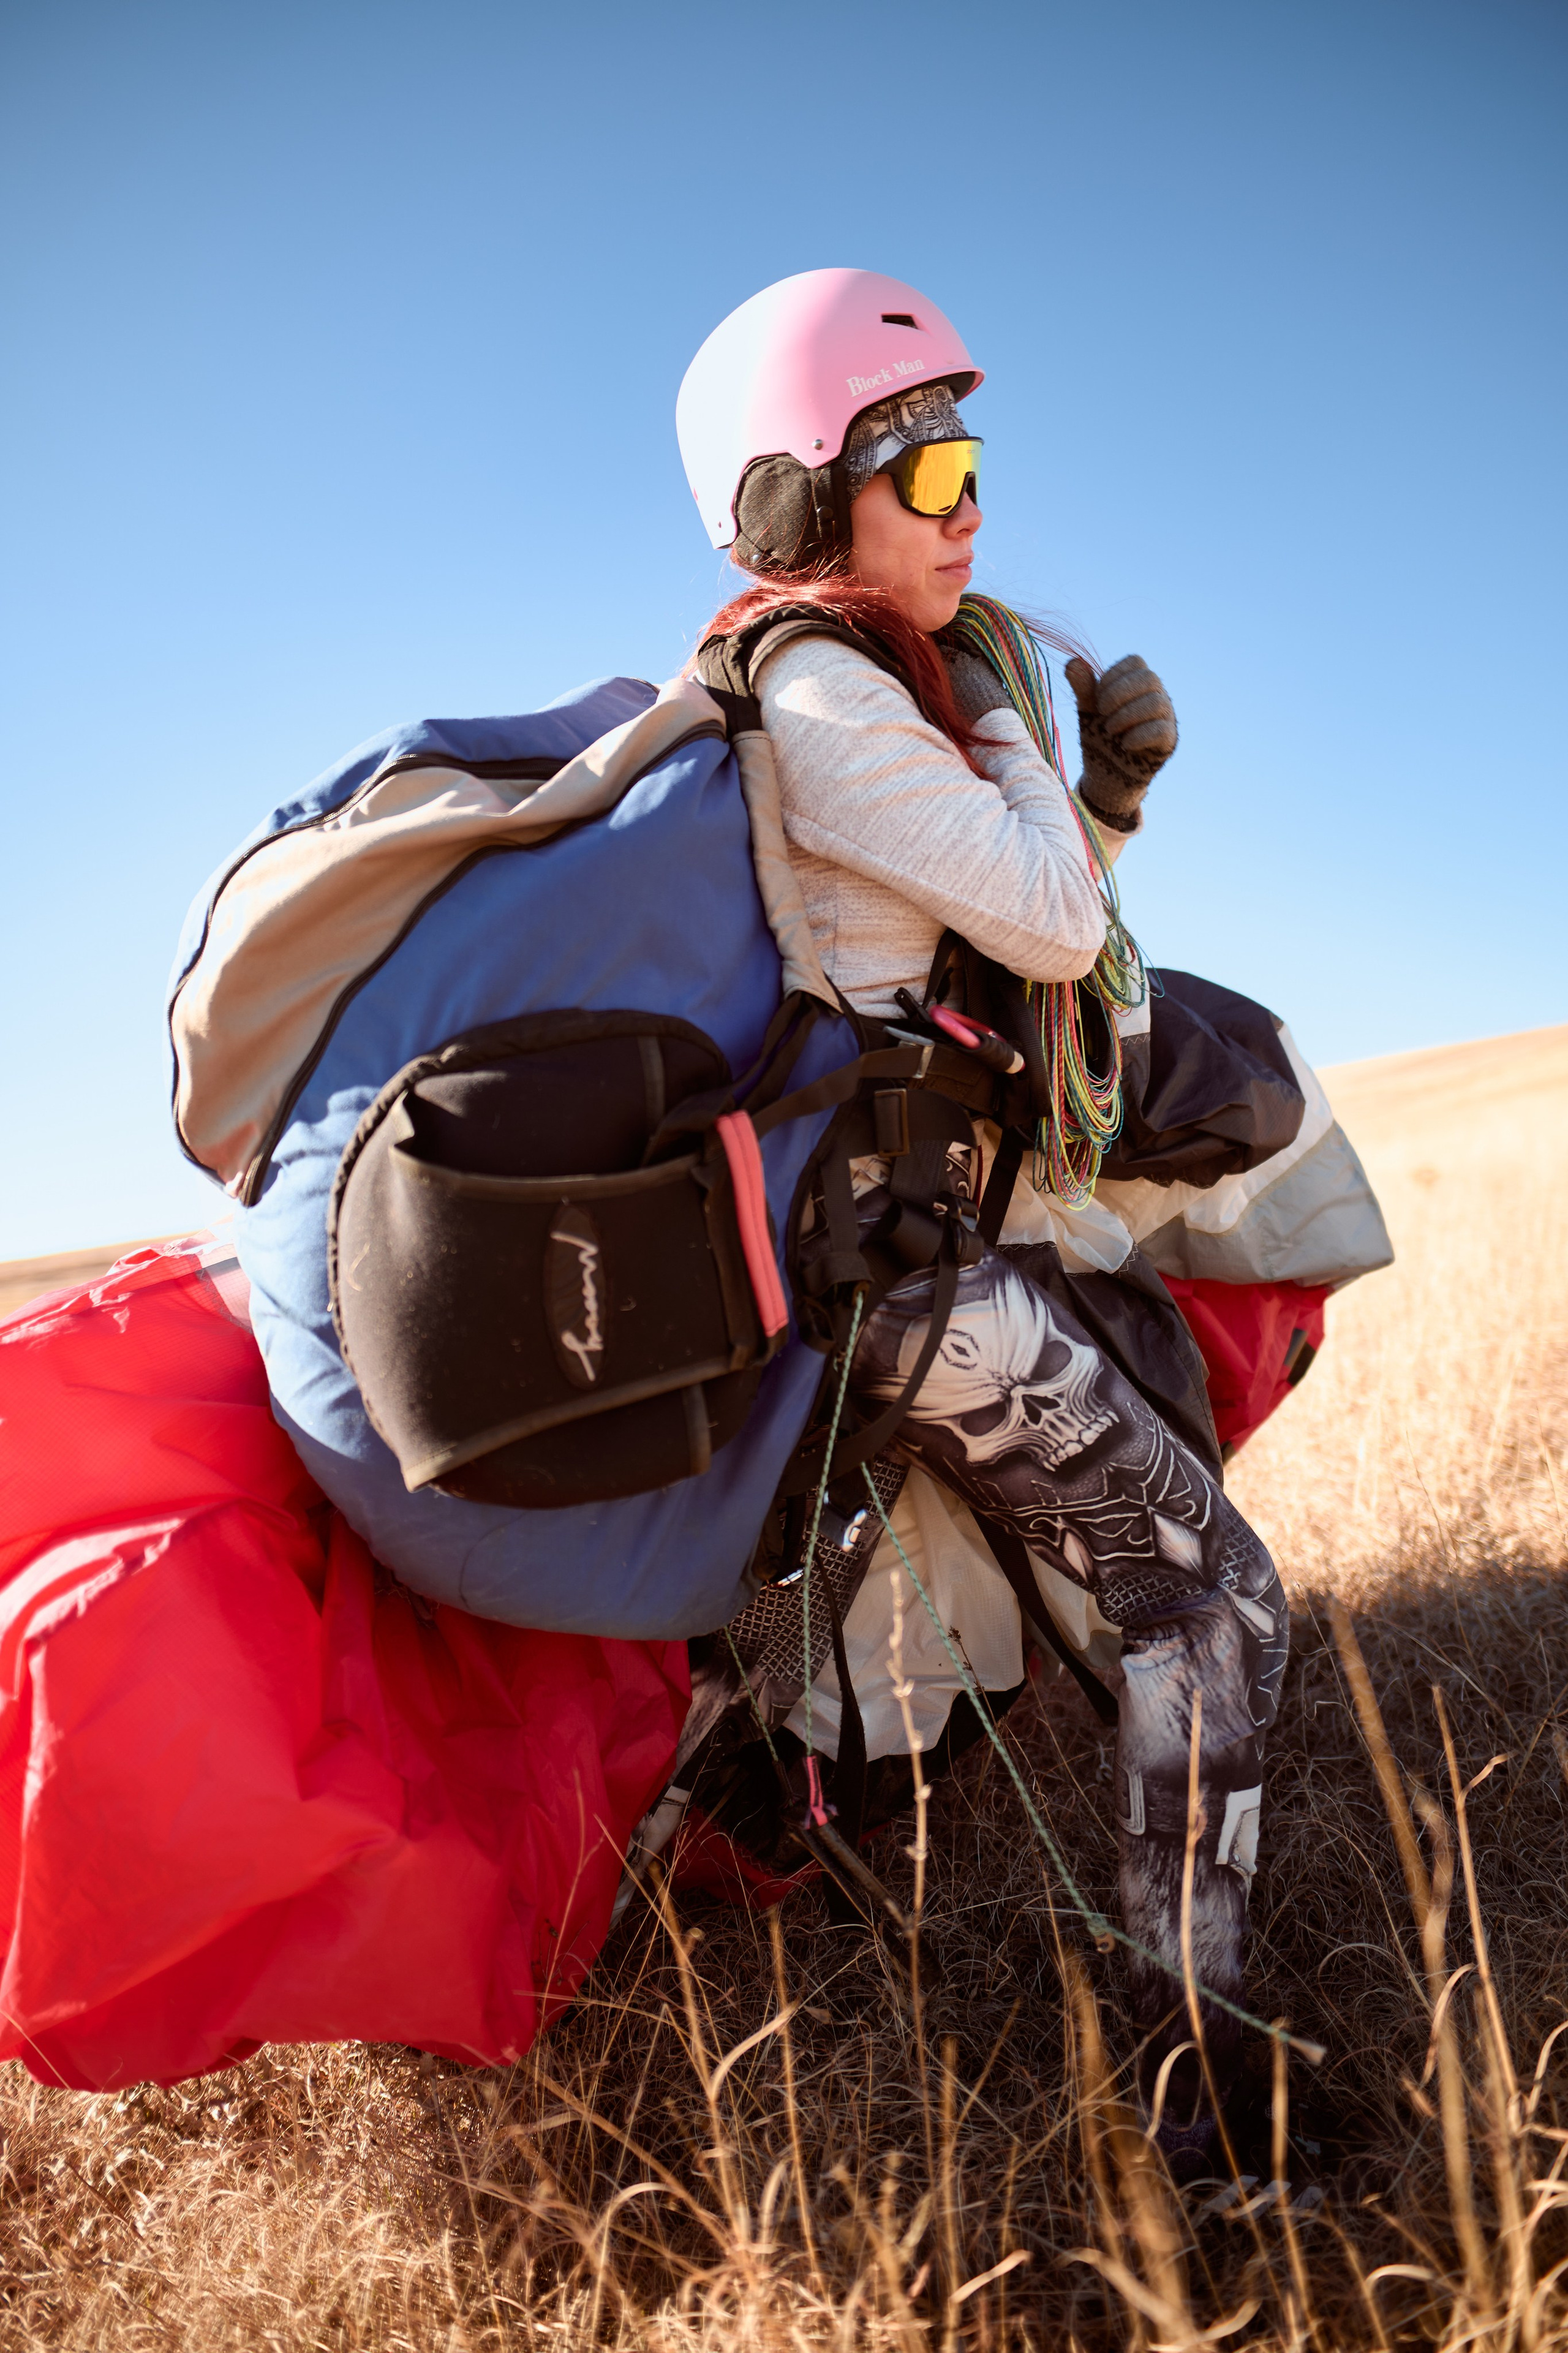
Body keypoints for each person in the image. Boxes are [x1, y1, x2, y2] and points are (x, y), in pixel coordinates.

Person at [677, 269, 1288, 2164]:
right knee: (1216, 1601)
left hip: (938, 1260)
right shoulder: (816, 679)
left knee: (987, 1628)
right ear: (792, 510)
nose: (967, 507)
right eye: (924, 465)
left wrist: (1093, 792)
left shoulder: (875, 688)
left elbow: (1023, 933)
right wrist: (1044, 743)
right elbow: (1039, 917)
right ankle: (1201, 2092)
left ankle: (745, 1844)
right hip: (915, 1286)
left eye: (972, 463)